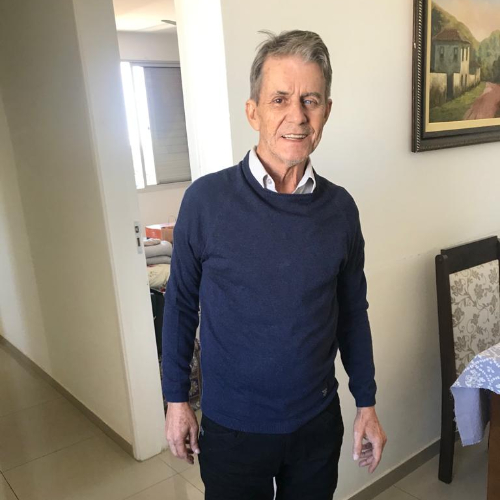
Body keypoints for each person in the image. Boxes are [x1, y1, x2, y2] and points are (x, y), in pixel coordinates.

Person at [162, 29, 387, 500]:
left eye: (311, 100)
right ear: (253, 112)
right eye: (280, 99)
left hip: (316, 425)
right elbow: (180, 306)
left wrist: (365, 401)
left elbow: (352, 313)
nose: (297, 116)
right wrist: (176, 399)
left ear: (327, 111)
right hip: (232, 429)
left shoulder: (340, 210)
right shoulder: (205, 202)